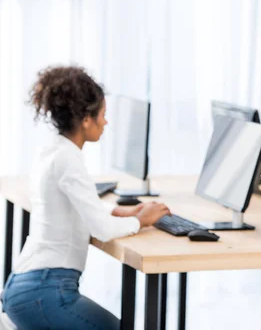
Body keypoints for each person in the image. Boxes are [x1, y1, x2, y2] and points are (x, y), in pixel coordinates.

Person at [0, 66, 170, 330]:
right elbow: (102, 230)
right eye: (103, 114)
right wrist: (142, 220)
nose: (106, 122)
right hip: (43, 292)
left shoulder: (54, 150)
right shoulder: (69, 159)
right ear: (86, 120)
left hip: (24, 286)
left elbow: (71, 203)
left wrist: (116, 211)